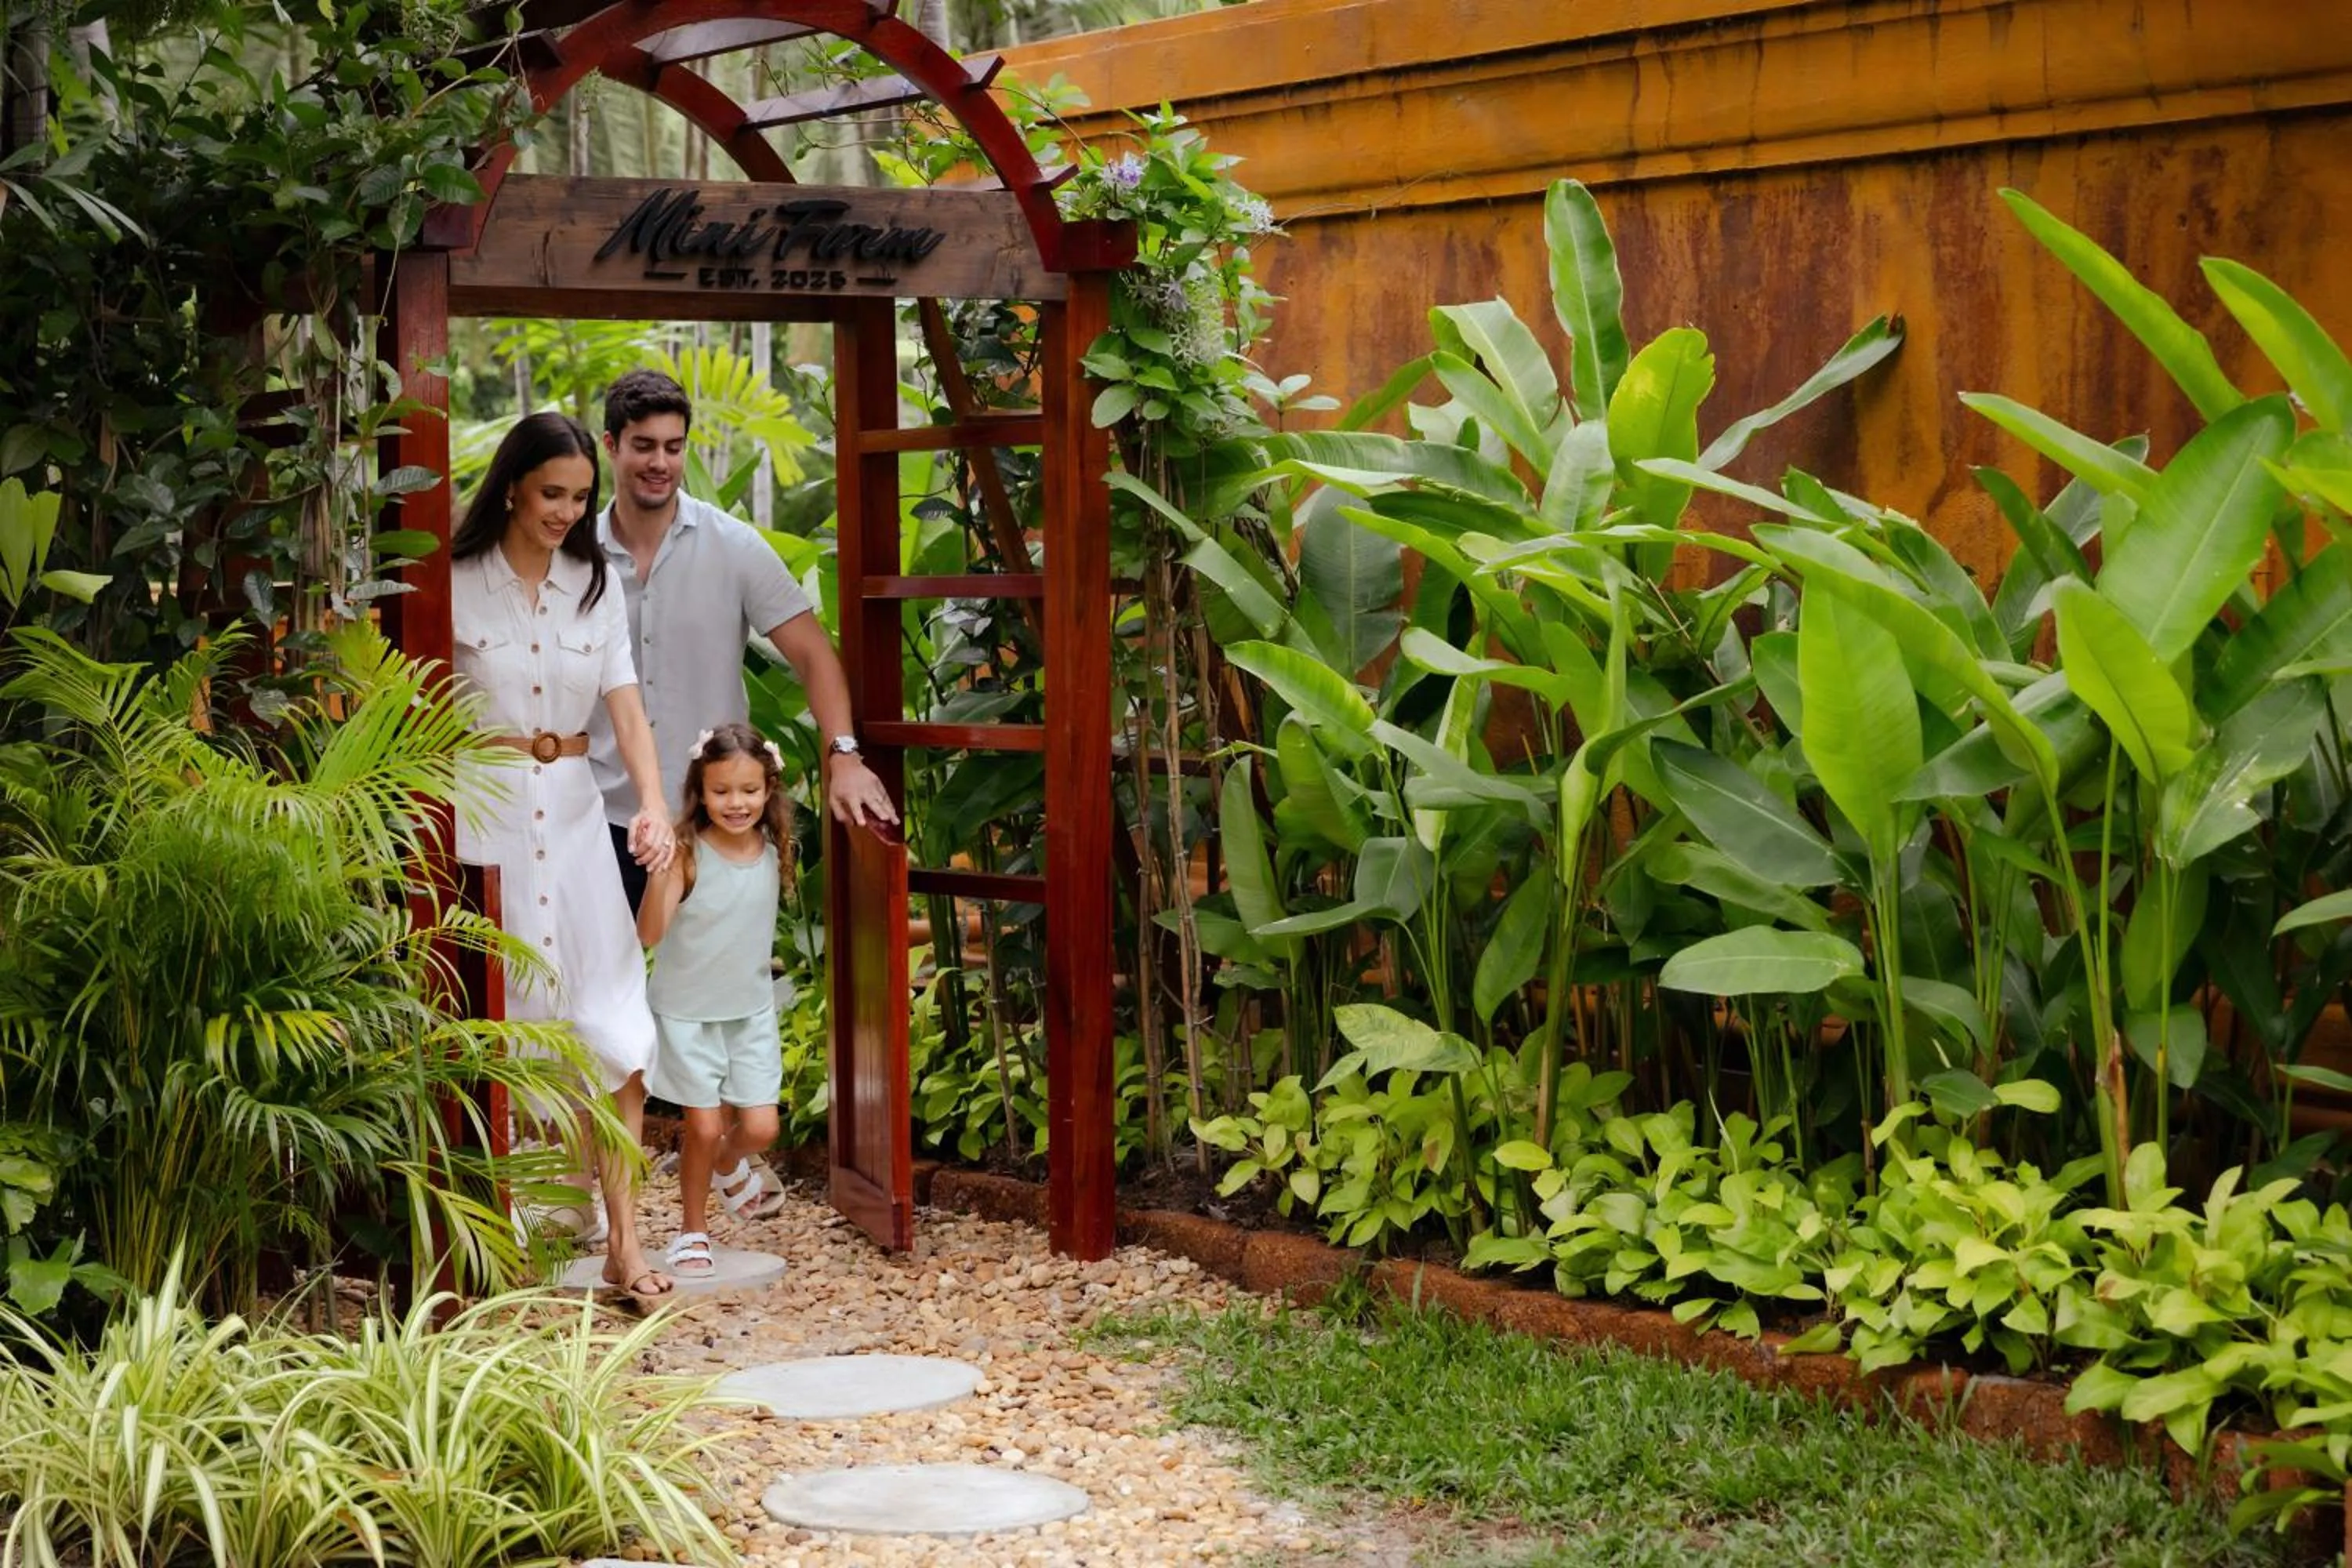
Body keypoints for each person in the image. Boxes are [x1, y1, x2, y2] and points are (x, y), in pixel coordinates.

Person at [587, 368, 898, 1221]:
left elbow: (812, 652)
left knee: (713, 993)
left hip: (707, 823)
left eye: (674, 447)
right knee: (595, 1002)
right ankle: (592, 1188)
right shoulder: (572, 545)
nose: (660, 463)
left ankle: (717, 1158)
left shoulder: (731, 545)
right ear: (611, 446)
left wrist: (843, 754)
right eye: (643, 446)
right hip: (596, 812)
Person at [450, 410, 677, 1305]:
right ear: (512, 485)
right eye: (553, 493)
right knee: (498, 1030)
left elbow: (626, 706)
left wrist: (653, 807)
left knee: (618, 1035)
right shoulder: (454, 581)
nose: (567, 510)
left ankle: (625, 1243)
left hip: (580, 822)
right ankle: (495, 1244)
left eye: (580, 497)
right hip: (485, 823)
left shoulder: (596, 582)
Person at [637, 722, 791, 1276]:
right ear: (700, 792)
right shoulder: (688, 853)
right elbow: (650, 934)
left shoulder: (773, 849)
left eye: (749, 790)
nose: (736, 802)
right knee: (701, 1127)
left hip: (748, 1013)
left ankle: (728, 1167)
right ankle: (692, 1231)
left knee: (761, 1129)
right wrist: (660, 874)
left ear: (768, 790)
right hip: (686, 1015)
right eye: (721, 791)